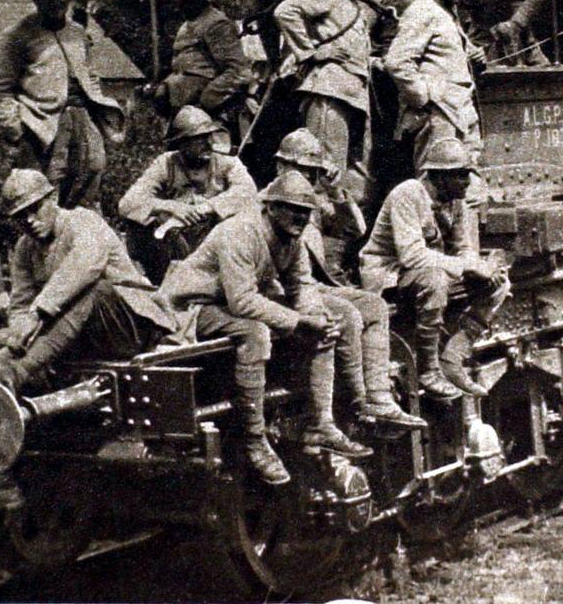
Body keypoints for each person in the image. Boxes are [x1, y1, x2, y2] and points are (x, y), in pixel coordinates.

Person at [160, 171, 372, 484]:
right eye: (293, 209)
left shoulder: (292, 239)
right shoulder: (240, 232)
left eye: (306, 211)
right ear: (271, 208)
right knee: (255, 333)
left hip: (225, 304)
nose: (301, 218)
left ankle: (321, 424)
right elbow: (242, 302)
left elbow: (302, 285)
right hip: (189, 309)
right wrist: (300, 320)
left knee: (325, 324)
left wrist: (314, 316)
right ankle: (255, 439)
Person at [0, 169, 187, 393]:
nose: (29, 220)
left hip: (134, 327)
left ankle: (16, 370)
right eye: (20, 216)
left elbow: (82, 268)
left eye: (35, 209)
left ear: (53, 198)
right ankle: (6, 369)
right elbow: (20, 303)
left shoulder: (84, 221)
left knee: (92, 289)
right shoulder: (25, 248)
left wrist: (36, 314)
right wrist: (18, 334)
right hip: (83, 335)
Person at [272, 129, 426, 429]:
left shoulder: (312, 201)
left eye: (312, 171)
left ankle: (380, 398)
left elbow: (354, 229)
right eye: (301, 169)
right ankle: (360, 404)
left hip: (316, 285)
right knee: (348, 315)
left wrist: (336, 192)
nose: (308, 176)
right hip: (284, 289)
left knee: (375, 306)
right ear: (281, 167)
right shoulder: (273, 200)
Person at [359, 139, 503, 400]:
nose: (467, 182)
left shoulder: (455, 200)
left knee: (498, 281)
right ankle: (428, 369)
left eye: (467, 174)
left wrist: (479, 267)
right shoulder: (408, 194)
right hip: (389, 275)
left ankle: (453, 357)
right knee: (434, 280)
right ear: (439, 177)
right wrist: (466, 266)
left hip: (423, 271)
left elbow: (462, 247)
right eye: (460, 176)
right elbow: (411, 256)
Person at [0, 0, 125, 211]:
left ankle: (85, 243)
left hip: (82, 118)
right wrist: (19, 132)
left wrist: (97, 111)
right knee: (46, 195)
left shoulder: (77, 33)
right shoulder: (16, 36)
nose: (57, 3)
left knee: (91, 178)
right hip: (43, 126)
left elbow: (89, 75)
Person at [273, 0, 377, 202]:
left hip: (352, 95)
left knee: (346, 173)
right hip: (329, 92)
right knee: (324, 170)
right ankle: (316, 236)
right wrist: (311, 53)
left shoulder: (354, 5)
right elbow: (285, 12)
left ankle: (340, 233)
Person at [118, 106, 258, 284]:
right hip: (175, 245)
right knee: (139, 223)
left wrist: (207, 207)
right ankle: (160, 280)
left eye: (210, 136)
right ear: (182, 143)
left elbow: (247, 191)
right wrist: (171, 206)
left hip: (215, 243)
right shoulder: (166, 164)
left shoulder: (227, 162)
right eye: (200, 139)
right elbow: (128, 203)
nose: (209, 143)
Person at [383, 0, 485, 172]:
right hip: (440, 112)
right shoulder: (422, 11)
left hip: (461, 107)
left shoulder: (447, 11)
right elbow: (397, 62)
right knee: (437, 178)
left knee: (467, 177)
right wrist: (424, 98)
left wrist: (473, 54)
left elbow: (445, 52)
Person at [146, 0, 253, 131]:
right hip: (183, 115)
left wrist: (205, 102)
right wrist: (164, 87)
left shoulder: (216, 23)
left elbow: (238, 72)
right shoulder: (186, 26)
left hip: (209, 117)